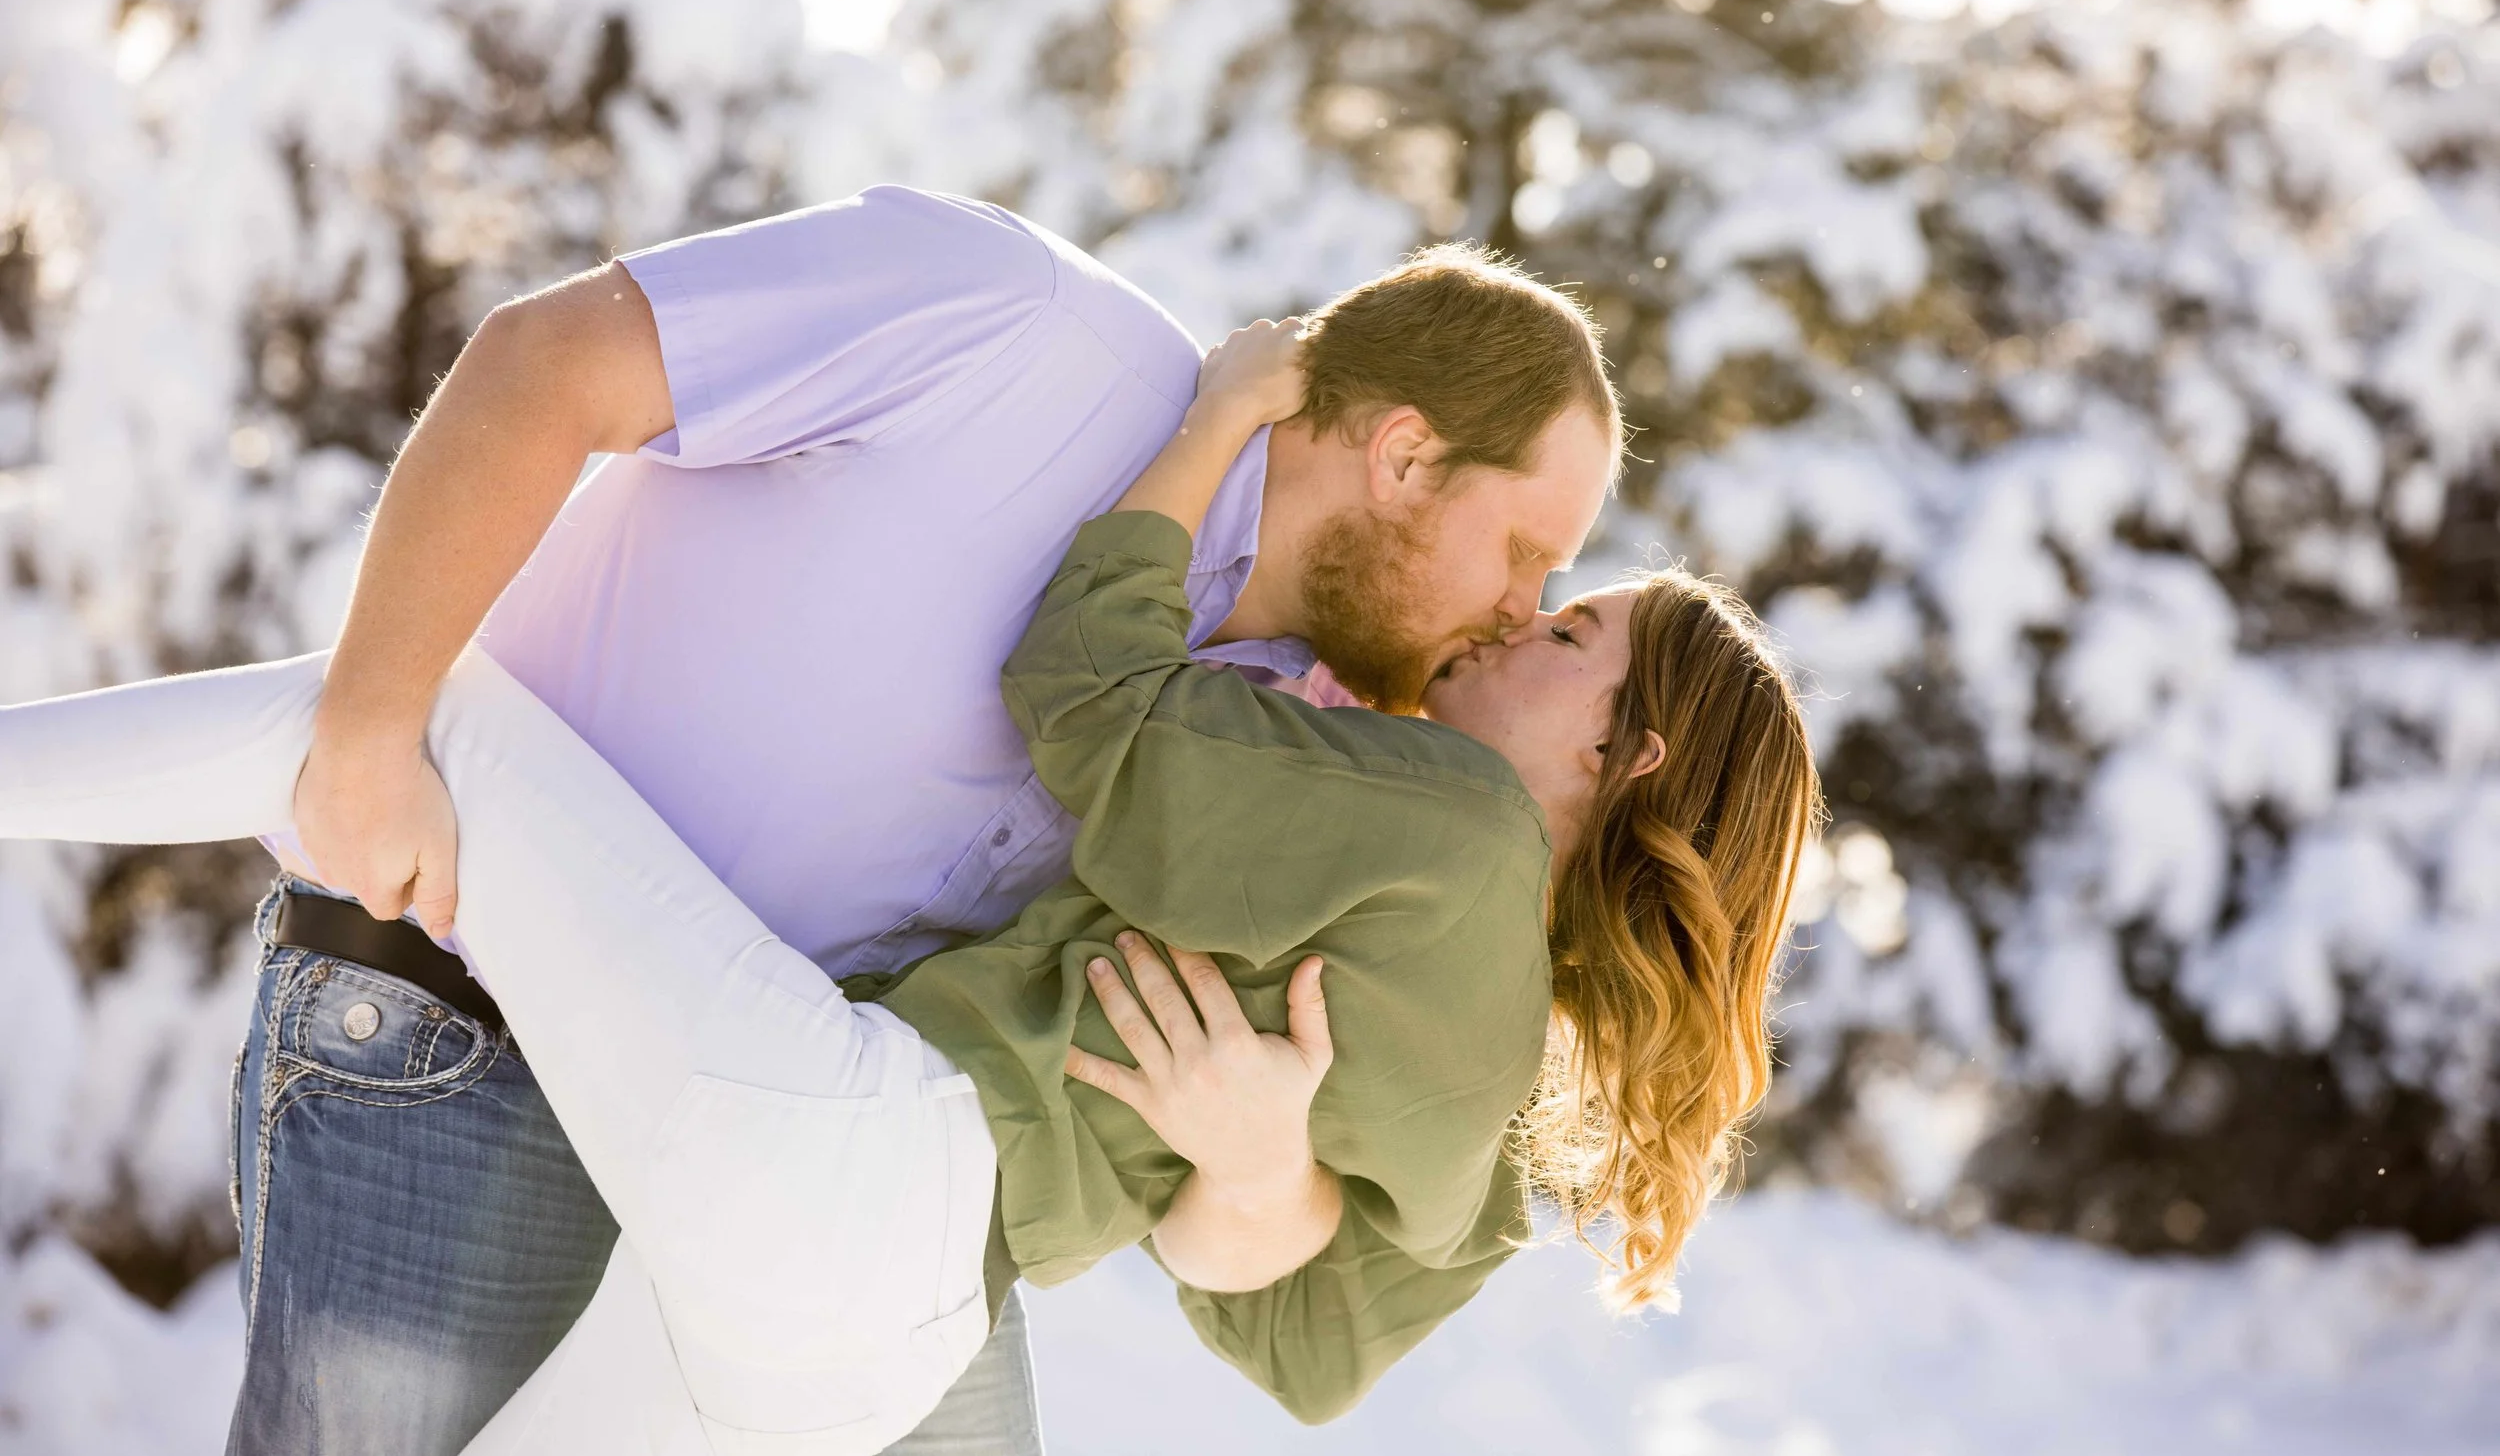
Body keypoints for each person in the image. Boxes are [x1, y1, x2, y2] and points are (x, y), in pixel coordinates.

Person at [0, 319, 1825, 1451]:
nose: (1519, 614)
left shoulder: (1445, 817)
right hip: (890, 1336)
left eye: (1569, 627)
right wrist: (1264, 1173)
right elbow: (1309, 1349)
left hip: (857, 1160)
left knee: (433, 718)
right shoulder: (1501, 1078)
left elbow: (1090, 699)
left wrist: (1210, 422)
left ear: (1628, 755)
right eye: (1540, 578)